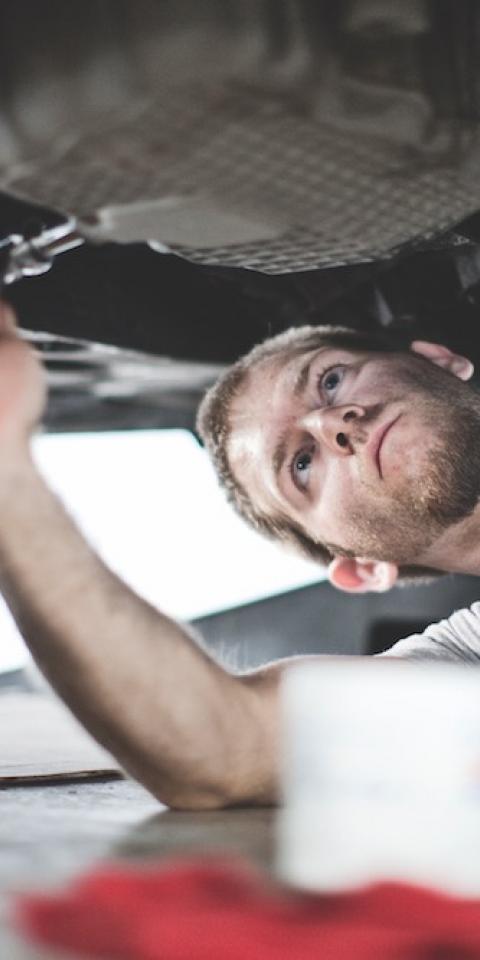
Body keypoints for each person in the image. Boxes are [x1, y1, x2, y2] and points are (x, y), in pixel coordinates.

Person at [0, 301, 479, 813]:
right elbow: (227, 746)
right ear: (363, 566)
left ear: (440, 358)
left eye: (331, 380)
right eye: (301, 464)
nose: (329, 423)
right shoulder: (463, 662)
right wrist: (9, 477)